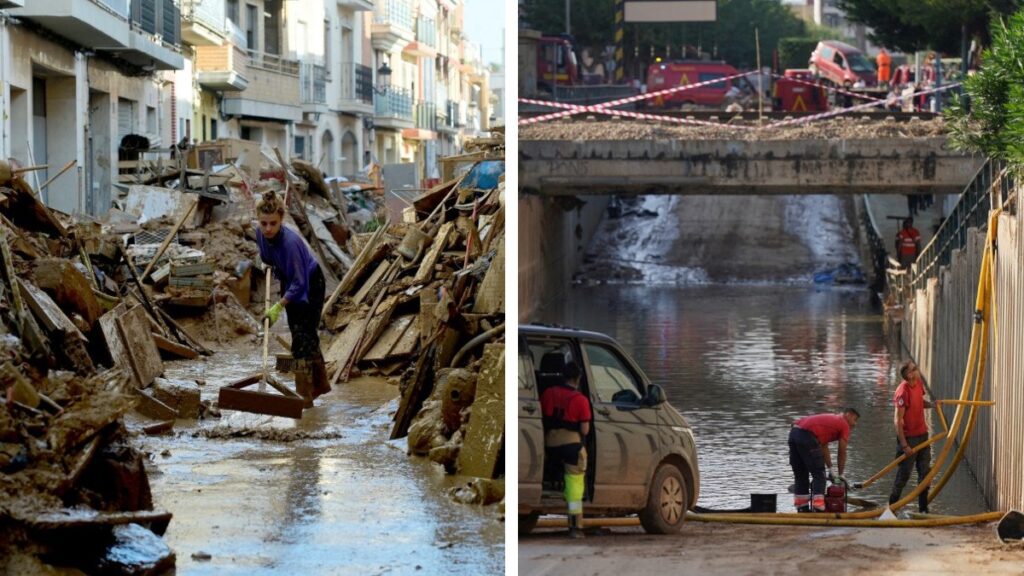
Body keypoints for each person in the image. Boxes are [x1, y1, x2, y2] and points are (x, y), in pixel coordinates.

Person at [255, 190, 329, 407]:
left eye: (273, 224)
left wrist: (278, 306)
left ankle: (304, 398)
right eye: (264, 223)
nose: (268, 229)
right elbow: (266, 255)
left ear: (281, 220)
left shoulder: (291, 243)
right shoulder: (260, 233)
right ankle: (320, 385)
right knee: (303, 334)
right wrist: (267, 263)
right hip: (291, 279)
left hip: (310, 283)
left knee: (301, 341)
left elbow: (299, 284)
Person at [540, 359, 592, 538]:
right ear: (578, 379)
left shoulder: (548, 393)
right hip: (571, 446)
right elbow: (585, 430)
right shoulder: (581, 400)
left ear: (563, 376)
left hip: (549, 444)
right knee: (575, 486)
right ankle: (575, 526)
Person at [789, 408, 860, 512]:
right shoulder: (843, 423)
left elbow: (823, 447)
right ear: (848, 415)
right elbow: (842, 452)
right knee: (819, 474)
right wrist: (841, 475)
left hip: (794, 433)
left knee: (801, 473)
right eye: (855, 419)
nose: (855, 424)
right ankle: (818, 507)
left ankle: (802, 507)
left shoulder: (830, 421)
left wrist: (831, 469)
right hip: (807, 435)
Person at [889, 361, 936, 513]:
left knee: (925, 474)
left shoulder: (918, 384)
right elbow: (897, 420)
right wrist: (904, 446)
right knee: (904, 475)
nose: (917, 371)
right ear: (909, 374)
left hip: (922, 435)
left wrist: (932, 405)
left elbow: (920, 402)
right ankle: (891, 509)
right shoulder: (902, 391)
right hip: (909, 439)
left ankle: (923, 509)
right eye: (914, 369)